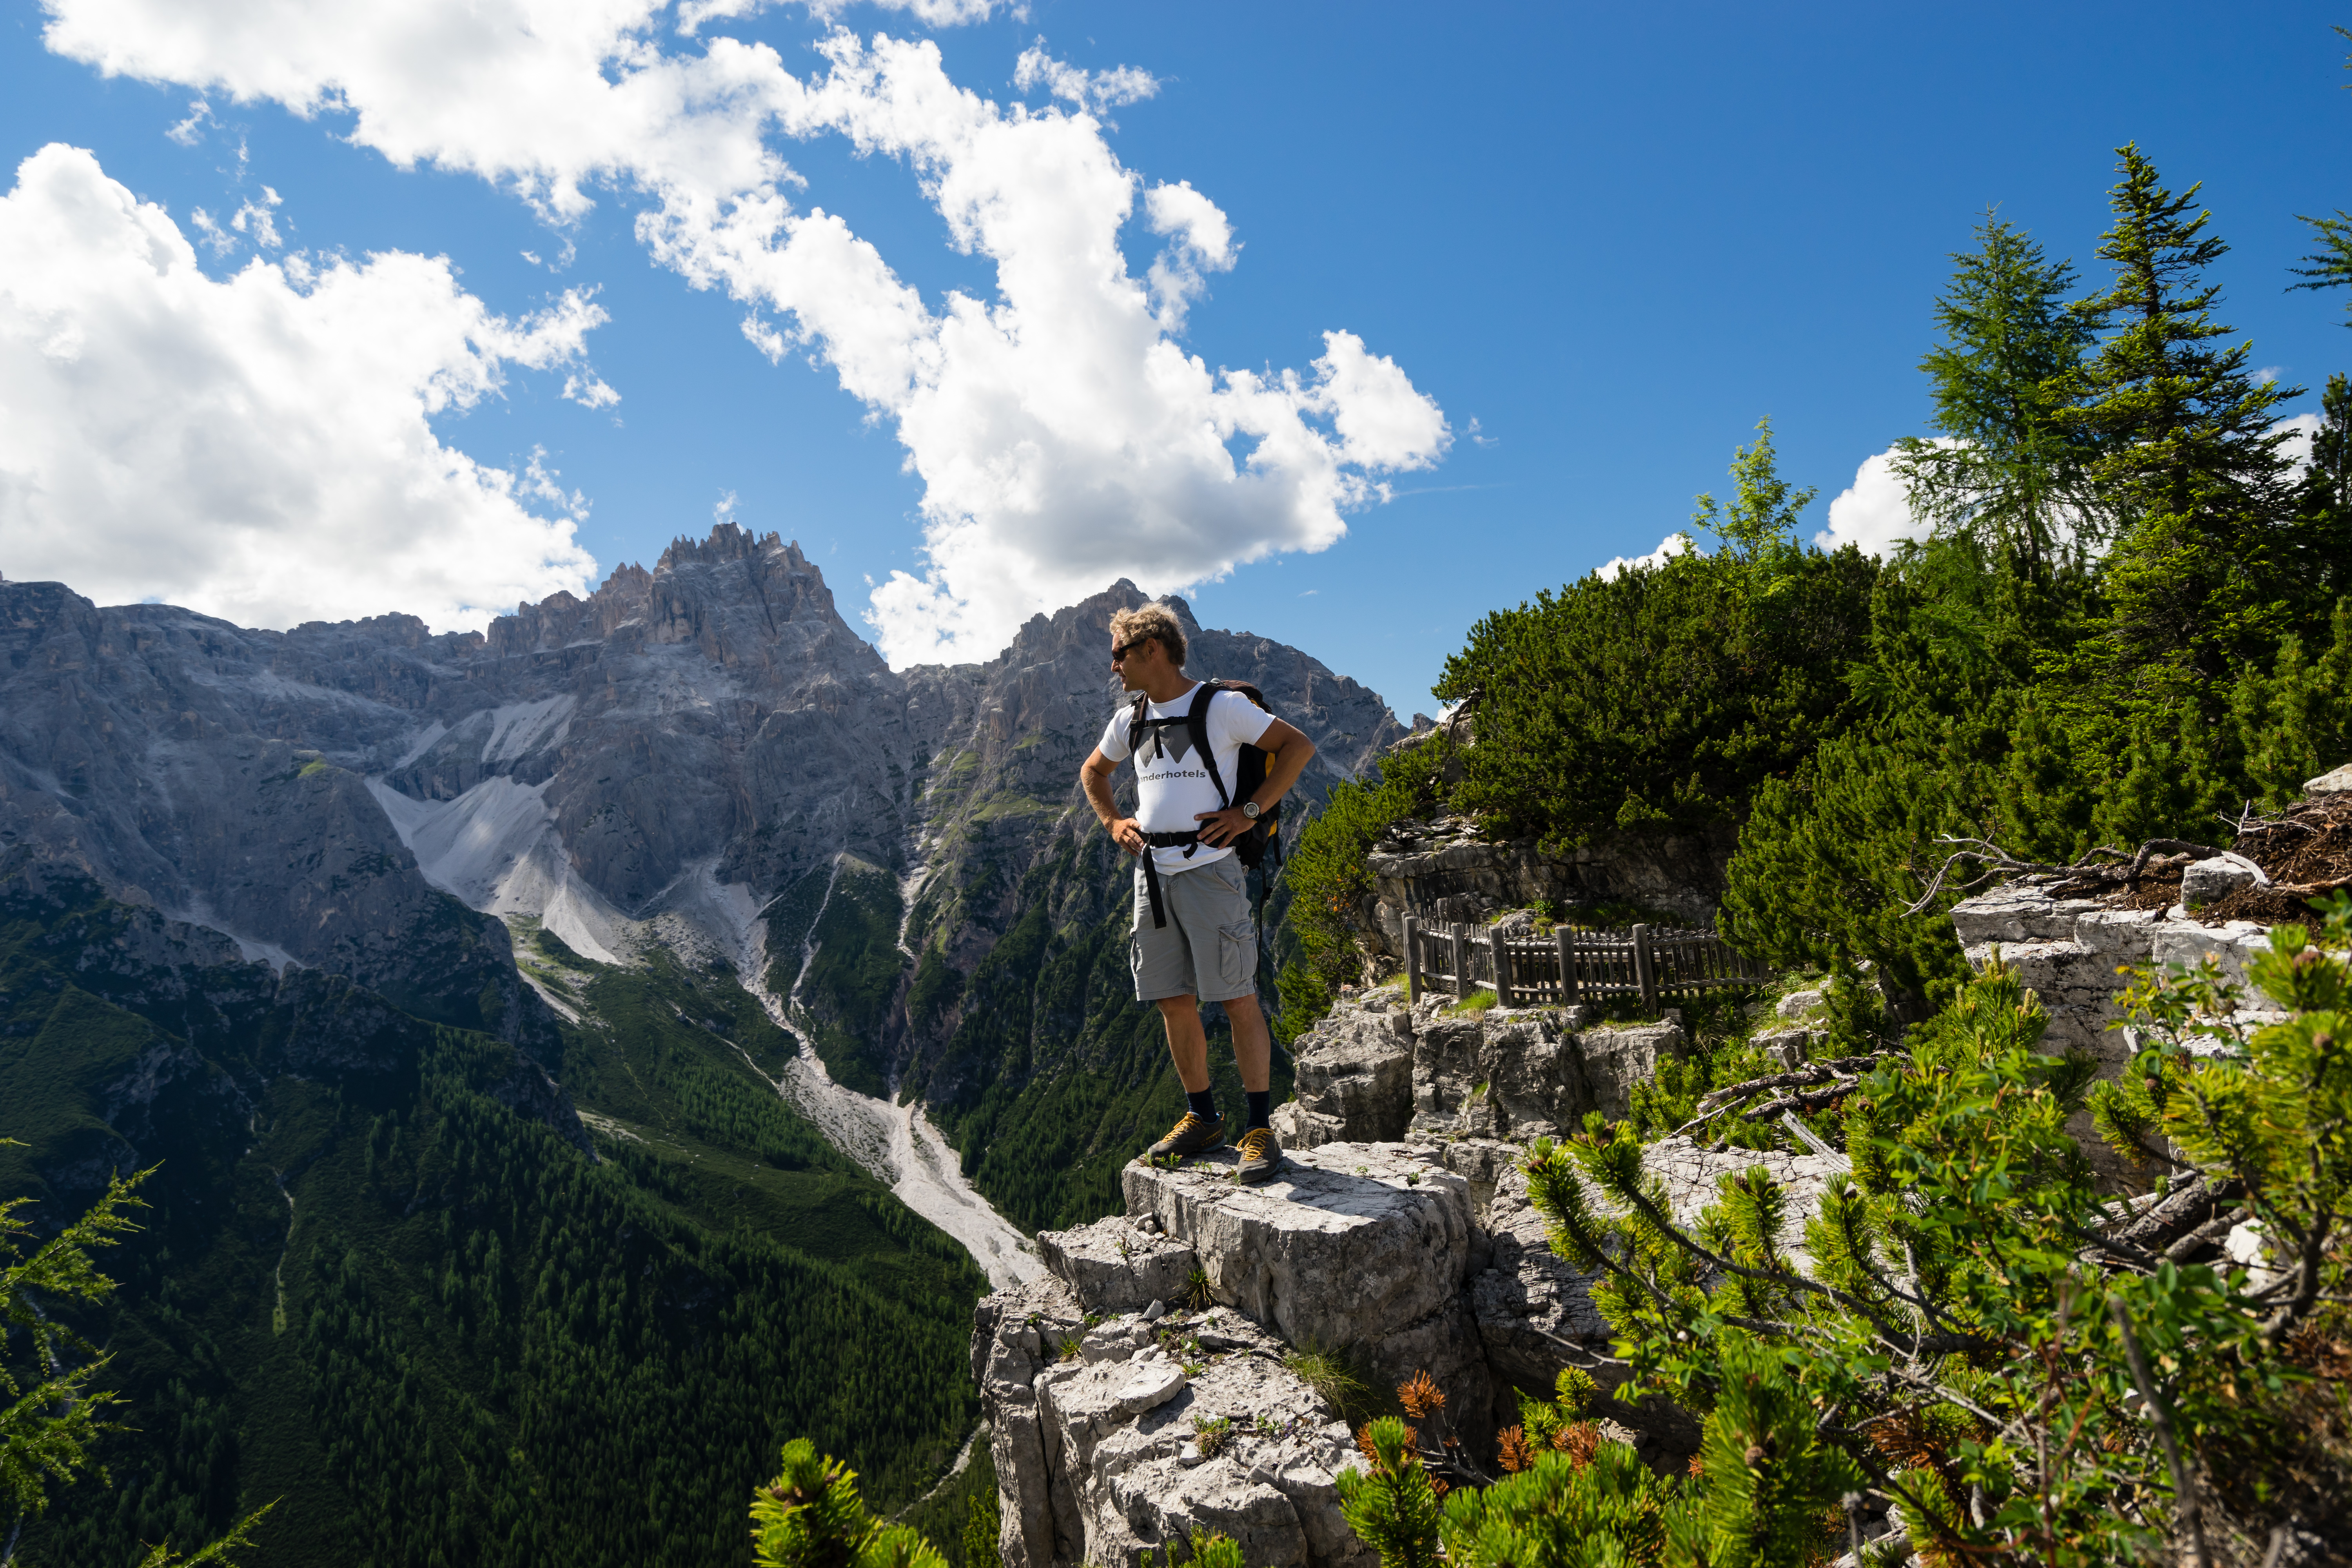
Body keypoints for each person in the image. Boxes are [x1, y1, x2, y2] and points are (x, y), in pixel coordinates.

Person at [1079, 603, 1317, 1184]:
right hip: (1153, 873)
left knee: (1237, 996)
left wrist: (1249, 813)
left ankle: (1259, 1128)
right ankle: (1204, 1118)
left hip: (1212, 870)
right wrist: (1113, 823)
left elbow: (1298, 748)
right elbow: (1093, 772)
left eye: (1119, 654)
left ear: (1152, 649)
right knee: (1172, 998)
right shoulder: (1130, 719)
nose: (1113, 666)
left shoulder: (1221, 707)